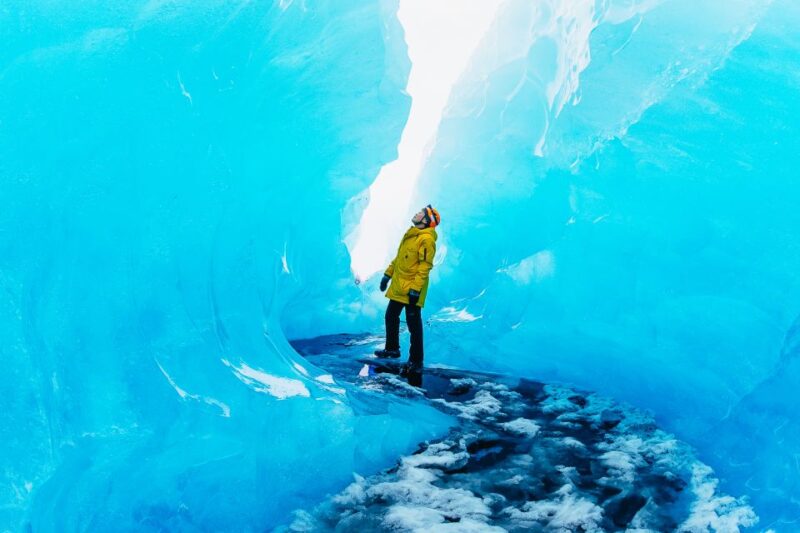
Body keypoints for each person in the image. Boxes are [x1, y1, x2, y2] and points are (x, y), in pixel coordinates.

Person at [375, 204, 441, 375]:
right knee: (391, 316)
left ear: (426, 220)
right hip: (399, 286)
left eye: (420, 213)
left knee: (413, 325)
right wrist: (387, 275)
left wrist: (415, 289)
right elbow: (398, 259)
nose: (416, 213)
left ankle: (416, 360)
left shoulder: (426, 239)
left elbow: (425, 266)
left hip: (412, 288)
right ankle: (392, 349)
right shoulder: (411, 235)